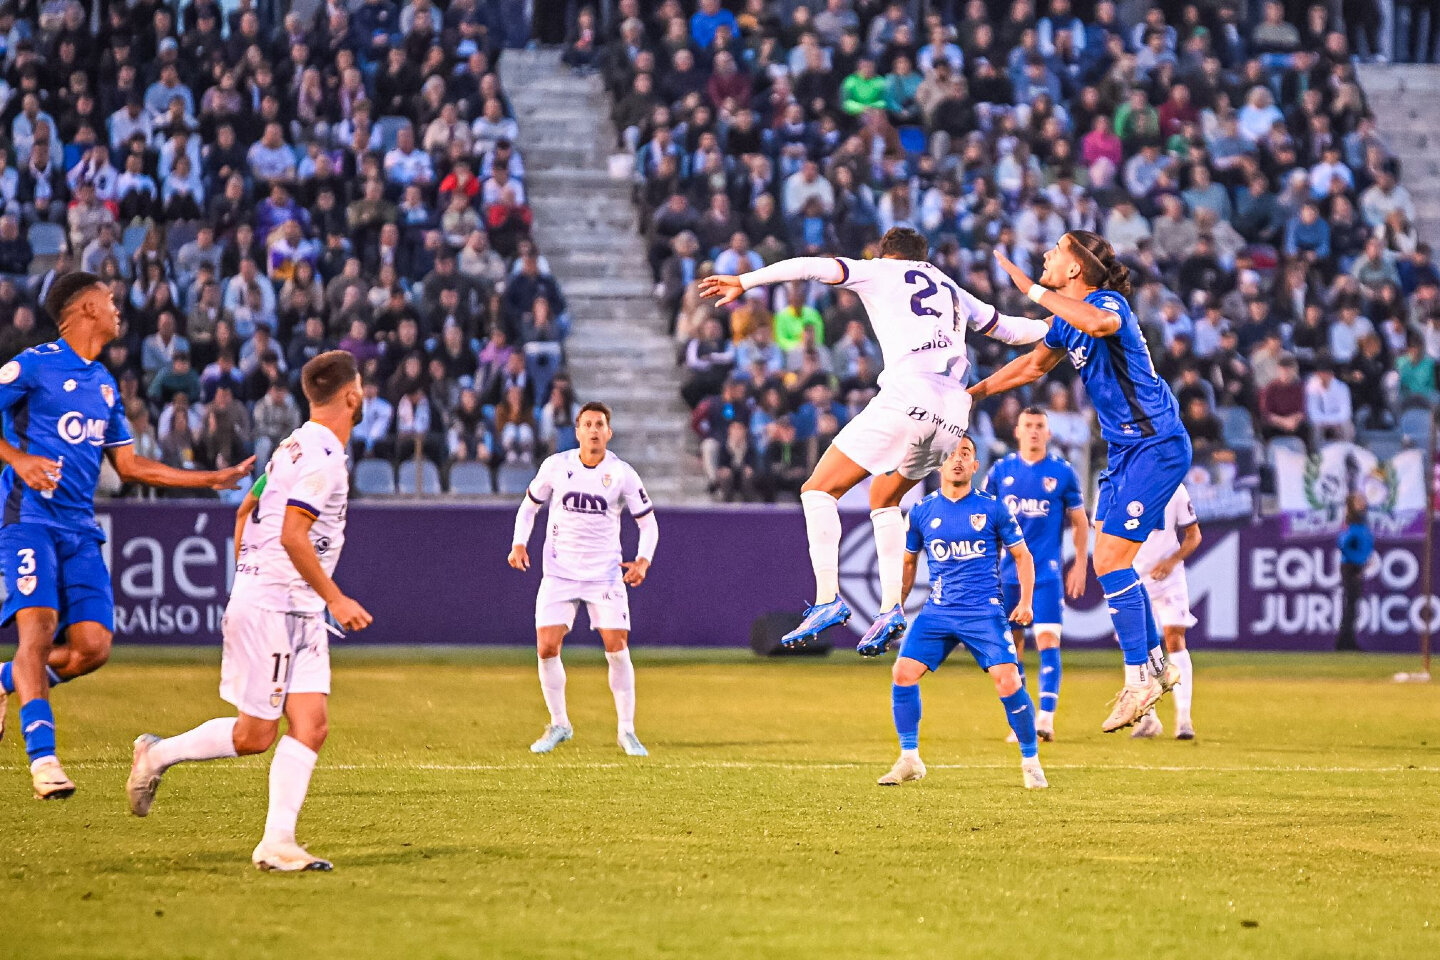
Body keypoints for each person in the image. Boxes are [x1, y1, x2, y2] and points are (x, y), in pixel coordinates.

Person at [699, 227, 1048, 654]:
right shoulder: (953, 288)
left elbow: (810, 267)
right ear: (925, 256)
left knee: (817, 490)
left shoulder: (879, 271)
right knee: (884, 497)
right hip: (954, 415)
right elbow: (1012, 330)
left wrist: (745, 281)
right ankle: (890, 608)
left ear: (887, 253)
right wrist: (1061, 320)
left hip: (909, 395)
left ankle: (827, 599)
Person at [0, 273, 252, 800]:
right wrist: (18, 459)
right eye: (110, 300)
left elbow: (131, 464)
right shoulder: (33, 365)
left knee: (92, 648)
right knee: (39, 633)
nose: (118, 308)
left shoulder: (105, 385)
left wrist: (210, 479)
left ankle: (7, 680)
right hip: (28, 522)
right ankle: (43, 760)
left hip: (79, 529)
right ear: (85, 308)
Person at [126, 351, 372, 872]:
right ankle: (157, 753)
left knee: (311, 723)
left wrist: (249, 569)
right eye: (361, 387)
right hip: (277, 607)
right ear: (351, 395)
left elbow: (245, 507)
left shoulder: (290, 447)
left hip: (292, 604)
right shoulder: (323, 458)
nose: (364, 394)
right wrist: (334, 596)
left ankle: (277, 842)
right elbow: (291, 534)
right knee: (254, 735)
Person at [973, 231, 1190, 733]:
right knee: (1107, 558)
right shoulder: (1065, 326)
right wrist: (976, 392)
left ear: (1074, 269)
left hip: (1156, 443)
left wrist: (1030, 289)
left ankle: (1144, 676)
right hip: (1124, 452)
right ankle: (1153, 669)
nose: (1046, 256)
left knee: (1112, 559)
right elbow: (1031, 367)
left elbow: (1098, 322)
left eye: (1055, 252)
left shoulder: (1103, 302)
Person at [878, 438, 1047, 791]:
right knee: (903, 673)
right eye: (951, 454)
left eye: (965, 454)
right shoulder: (922, 511)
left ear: (975, 466)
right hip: (938, 611)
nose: (957, 460)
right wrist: (895, 607)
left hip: (983, 611)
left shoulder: (994, 509)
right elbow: (908, 563)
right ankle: (909, 758)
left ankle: (1031, 761)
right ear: (939, 464)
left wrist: (1027, 601)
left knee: (1008, 680)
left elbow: (1023, 557)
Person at [507, 402, 659, 758]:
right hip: (559, 572)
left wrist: (643, 560)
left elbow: (647, 523)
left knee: (616, 647)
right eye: (587, 424)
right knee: (546, 647)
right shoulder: (557, 467)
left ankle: (626, 730)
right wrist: (518, 543)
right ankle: (559, 723)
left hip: (604, 575)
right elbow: (529, 507)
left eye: (599, 424)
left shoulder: (622, 474)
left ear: (609, 432)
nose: (593, 430)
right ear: (577, 432)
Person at [981, 407, 1089, 741]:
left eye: (1040, 426)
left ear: (1048, 432)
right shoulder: (1001, 471)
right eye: (1028, 426)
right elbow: (984, 518)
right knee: (1012, 649)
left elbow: (1079, 521)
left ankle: (1046, 718)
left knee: (1047, 641)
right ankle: (1024, 718)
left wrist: (1082, 563)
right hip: (1008, 575)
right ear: (1017, 431)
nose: (1033, 431)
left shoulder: (1062, 473)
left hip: (1046, 573)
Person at [1130, 484, 1202, 741]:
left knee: (1174, 638)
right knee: (1138, 648)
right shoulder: (1120, 482)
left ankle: (1184, 718)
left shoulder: (1174, 487)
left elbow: (1194, 535)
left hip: (1169, 577)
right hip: (1133, 577)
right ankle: (1148, 718)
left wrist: (1172, 561)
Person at [1337, 494, 1373, 652]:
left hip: (1357, 565)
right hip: (1351, 566)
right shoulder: (1351, 520)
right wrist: (1358, 562)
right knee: (1351, 605)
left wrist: (1364, 561)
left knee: (1353, 605)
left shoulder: (1362, 519)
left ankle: (1348, 640)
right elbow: (1344, 543)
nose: (1363, 502)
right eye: (1359, 500)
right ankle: (1344, 642)